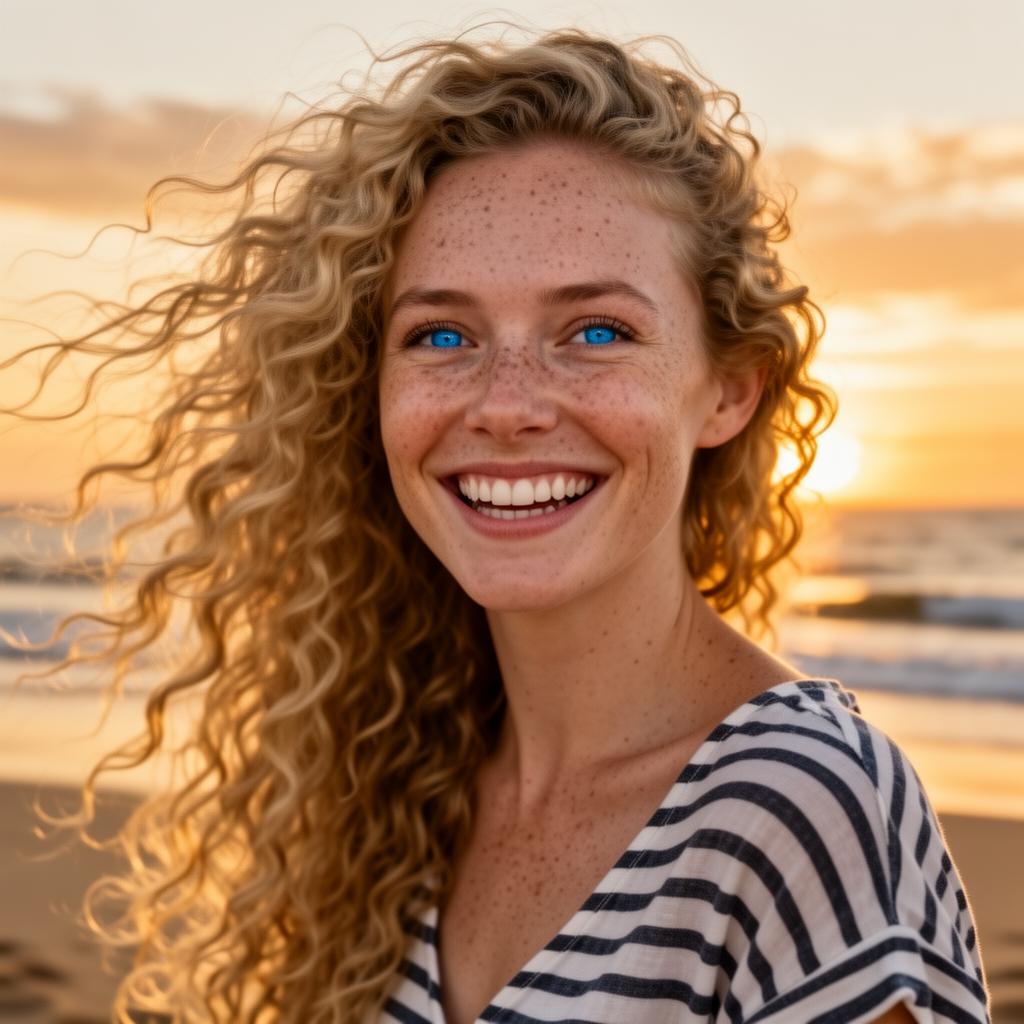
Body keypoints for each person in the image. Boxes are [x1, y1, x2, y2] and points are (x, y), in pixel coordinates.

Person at [5, 24, 989, 1024]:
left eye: (596, 330)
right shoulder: (403, 785)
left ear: (730, 389)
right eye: (441, 335)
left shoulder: (803, 804)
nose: (506, 404)